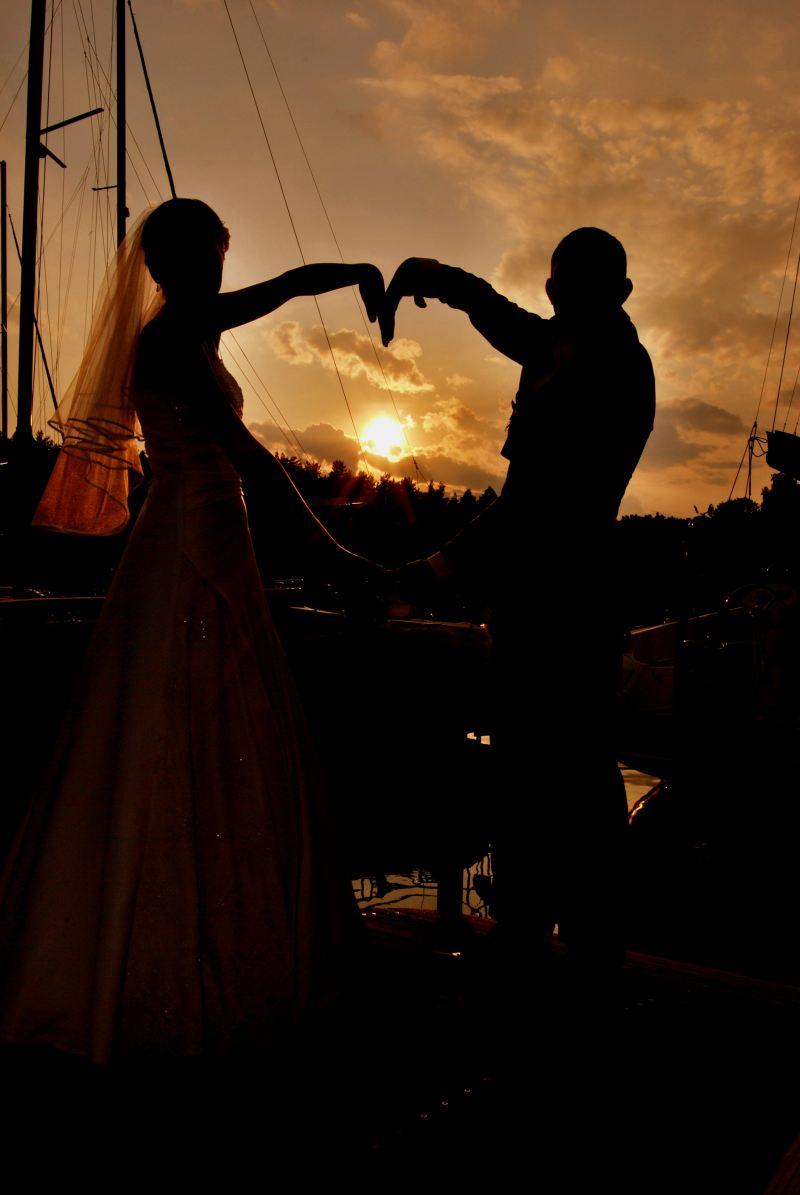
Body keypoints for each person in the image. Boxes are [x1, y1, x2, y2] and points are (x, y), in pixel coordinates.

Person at [0, 198, 384, 1063]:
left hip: (210, 533)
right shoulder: (175, 339)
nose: (219, 270)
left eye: (221, 254)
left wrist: (354, 273)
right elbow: (249, 459)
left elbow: (282, 288)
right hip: (192, 540)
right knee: (184, 723)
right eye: (208, 255)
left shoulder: (190, 325)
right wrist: (338, 557)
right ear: (173, 265)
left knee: (214, 725)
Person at [380, 228, 655, 981]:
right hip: (541, 602)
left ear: (613, 295)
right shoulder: (569, 350)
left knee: (567, 785)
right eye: (558, 283)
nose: (557, 296)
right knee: (539, 780)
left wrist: (439, 563)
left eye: (572, 284)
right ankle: (538, 942)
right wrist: (442, 275)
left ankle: (577, 957)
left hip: (568, 605)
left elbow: (534, 505)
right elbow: (507, 321)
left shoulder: (603, 362)